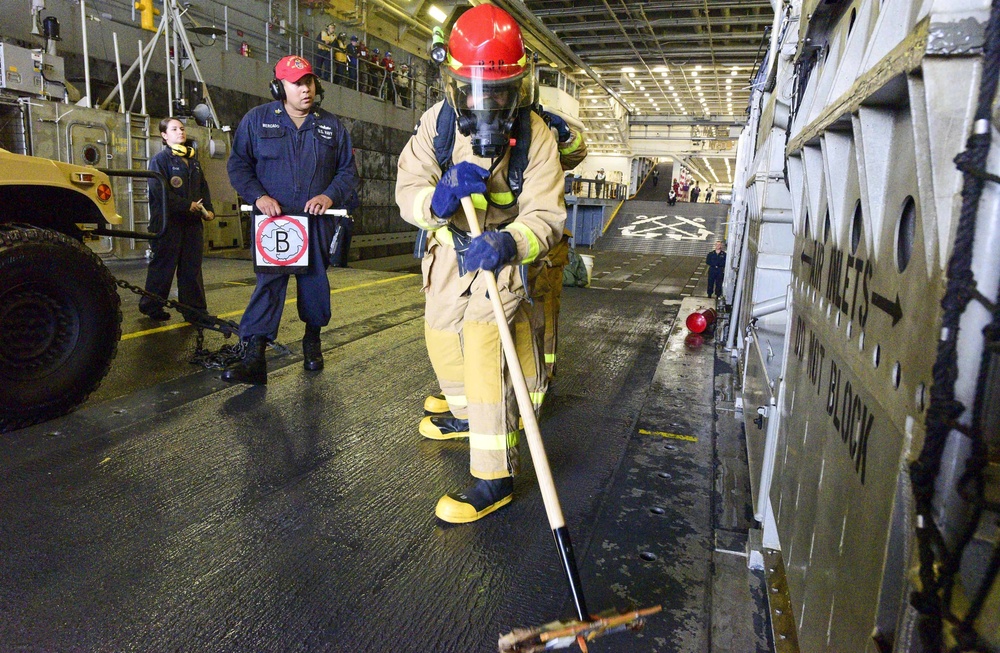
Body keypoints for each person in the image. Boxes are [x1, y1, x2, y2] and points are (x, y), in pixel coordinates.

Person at [395, 4, 565, 524]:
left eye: (499, 91)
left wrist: (510, 243)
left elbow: (546, 215)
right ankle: (470, 414)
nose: (485, 102)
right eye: (473, 89)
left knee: (483, 341)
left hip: (501, 256)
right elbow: (407, 191)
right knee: (442, 333)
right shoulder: (438, 126)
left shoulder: (535, 137)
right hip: (449, 251)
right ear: (453, 84)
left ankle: (494, 474)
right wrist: (438, 201)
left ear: (519, 87)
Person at [223, 55, 360, 385]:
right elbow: (239, 166)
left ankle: (312, 341)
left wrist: (329, 196)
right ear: (278, 87)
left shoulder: (331, 126)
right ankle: (255, 356)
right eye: (297, 83)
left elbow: (347, 173)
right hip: (274, 223)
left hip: (314, 223)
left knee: (315, 286)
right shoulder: (257, 121)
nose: (305, 89)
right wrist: (258, 196)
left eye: (309, 81)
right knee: (269, 285)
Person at [139, 118, 215, 323]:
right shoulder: (160, 160)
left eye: (181, 128)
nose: (180, 132)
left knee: (191, 267)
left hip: (191, 223)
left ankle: (195, 310)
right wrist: (185, 205)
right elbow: (159, 190)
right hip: (167, 222)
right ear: (164, 136)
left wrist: (209, 209)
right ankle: (152, 307)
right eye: (174, 129)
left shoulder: (194, 162)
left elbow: (203, 189)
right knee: (163, 266)